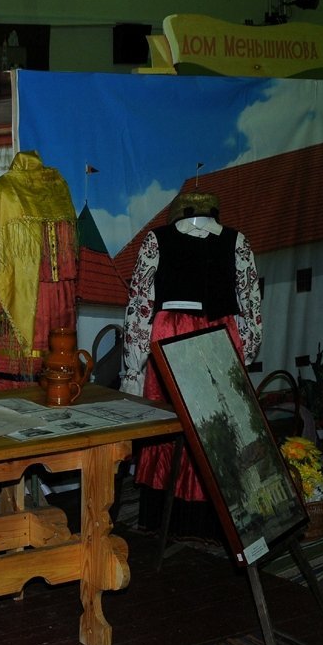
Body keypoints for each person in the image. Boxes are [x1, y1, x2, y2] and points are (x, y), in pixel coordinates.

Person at [120, 191, 263, 540]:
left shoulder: (162, 240)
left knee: (201, 421)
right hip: (210, 339)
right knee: (196, 420)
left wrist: (134, 366)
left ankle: (177, 515)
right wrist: (244, 351)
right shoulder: (234, 242)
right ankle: (200, 518)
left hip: (181, 337)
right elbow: (251, 307)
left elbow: (140, 305)